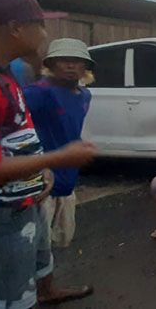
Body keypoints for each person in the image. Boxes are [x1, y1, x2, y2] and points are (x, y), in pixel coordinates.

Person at [0, 0, 96, 309]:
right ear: (16, 28)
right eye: (41, 25)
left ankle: (46, 291)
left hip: (25, 198)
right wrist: (59, 158)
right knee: (8, 295)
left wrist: (41, 166)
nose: (45, 34)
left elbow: (15, 135)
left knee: (36, 261)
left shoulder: (6, 73)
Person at [24, 38, 94, 249]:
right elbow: (18, 130)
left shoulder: (84, 95)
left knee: (59, 240)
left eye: (77, 61)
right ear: (52, 65)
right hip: (41, 179)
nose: (71, 66)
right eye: (64, 60)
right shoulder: (37, 93)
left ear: (86, 67)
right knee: (35, 244)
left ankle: (50, 283)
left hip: (67, 178)